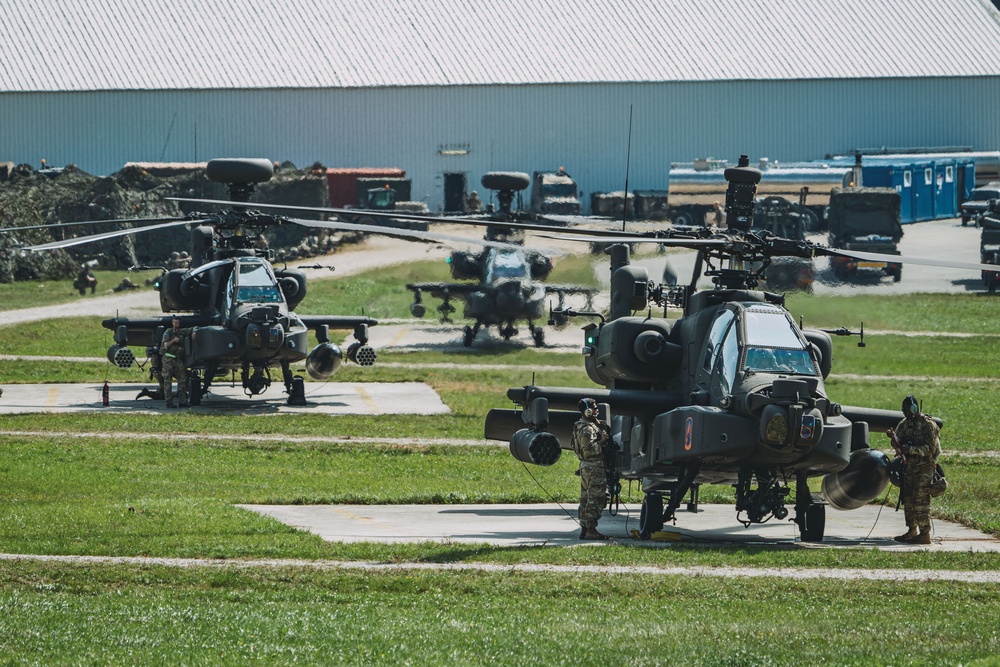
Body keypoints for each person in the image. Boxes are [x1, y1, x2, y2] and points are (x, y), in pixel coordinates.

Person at [886, 395, 941, 544]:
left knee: (921, 500)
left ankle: (924, 534)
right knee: (908, 499)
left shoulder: (928, 425)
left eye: (905, 410)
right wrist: (894, 439)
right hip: (909, 467)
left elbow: (930, 449)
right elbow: (898, 442)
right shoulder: (904, 424)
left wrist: (910, 449)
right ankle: (911, 530)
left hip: (925, 467)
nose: (903, 413)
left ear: (913, 409)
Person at [573, 397, 609, 540]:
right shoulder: (587, 429)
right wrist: (602, 442)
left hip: (588, 467)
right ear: (587, 411)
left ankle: (585, 528)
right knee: (595, 498)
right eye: (594, 407)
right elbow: (588, 450)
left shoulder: (585, 425)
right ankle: (590, 529)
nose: (597, 410)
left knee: (586, 498)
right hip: (593, 467)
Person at [161, 316, 192, 408]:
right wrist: (174, 340)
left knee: (182, 378)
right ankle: (169, 402)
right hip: (168, 358)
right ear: (172, 323)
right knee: (167, 380)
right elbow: (165, 345)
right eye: (174, 323)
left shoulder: (181, 332)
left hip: (177, 358)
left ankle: (182, 401)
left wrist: (195, 331)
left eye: (177, 323)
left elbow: (190, 330)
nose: (176, 325)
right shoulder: (168, 332)